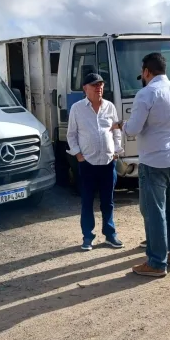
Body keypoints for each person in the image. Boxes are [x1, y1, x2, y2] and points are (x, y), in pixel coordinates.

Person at [113, 52, 170, 277]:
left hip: (154, 161)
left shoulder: (146, 93)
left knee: (154, 212)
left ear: (147, 71)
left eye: (142, 72)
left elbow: (133, 129)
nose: (142, 75)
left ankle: (157, 263)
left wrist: (122, 125)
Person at [67, 73, 125, 251]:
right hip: (88, 163)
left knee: (108, 201)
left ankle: (110, 234)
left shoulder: (110, 107)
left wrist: (116, 152)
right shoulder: (77, 109)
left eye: (100, 85)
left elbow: (116, 132)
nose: (99, 88)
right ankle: (87, 237)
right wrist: (78, 156)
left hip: (108, 163)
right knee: (87, 201)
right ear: (85, 88)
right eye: (94, 85)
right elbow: (71, 134)